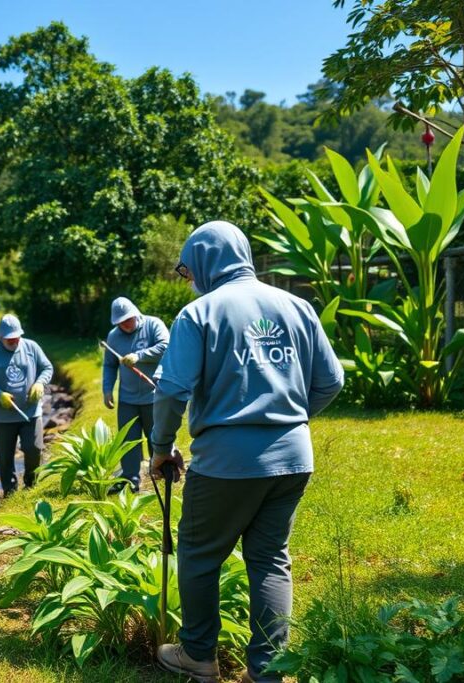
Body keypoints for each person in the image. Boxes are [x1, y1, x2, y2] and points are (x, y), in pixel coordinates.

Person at [150, 221, 344, 683]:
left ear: (203, 262)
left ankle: (198, 655)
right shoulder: (298, 307)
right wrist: (289, 419)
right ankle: (268, 670)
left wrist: (161, 447)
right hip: (292, 459)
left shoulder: (199, 313)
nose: (187, 279)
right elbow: (332, 380)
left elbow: (172, 390)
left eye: (185, 270)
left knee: (199, 554)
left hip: (226, 463)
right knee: (271, 559)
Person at [0, 313, 54, 496]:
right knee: (5, 457)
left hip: (31, 412)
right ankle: (10, 492)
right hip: (2, 418)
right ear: (0, 337)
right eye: (9, 338)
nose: (14, 341)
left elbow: (47, 368)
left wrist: (40, 383)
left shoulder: (32, 347)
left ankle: (31, 485)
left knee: (34, 449)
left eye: (16, 337)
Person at [102, 297, 169, 493]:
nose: (126, 324)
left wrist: (139, 355)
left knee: (156, 437)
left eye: (128, 319)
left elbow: (166, 346)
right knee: (128, 440)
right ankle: (130, 478)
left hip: (153, 395)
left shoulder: (153, 324)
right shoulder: (113, 336)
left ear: (135, 313)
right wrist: (107, 389)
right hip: (127, 399)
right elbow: (109, 365)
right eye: (121, 322)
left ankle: (162, 472)